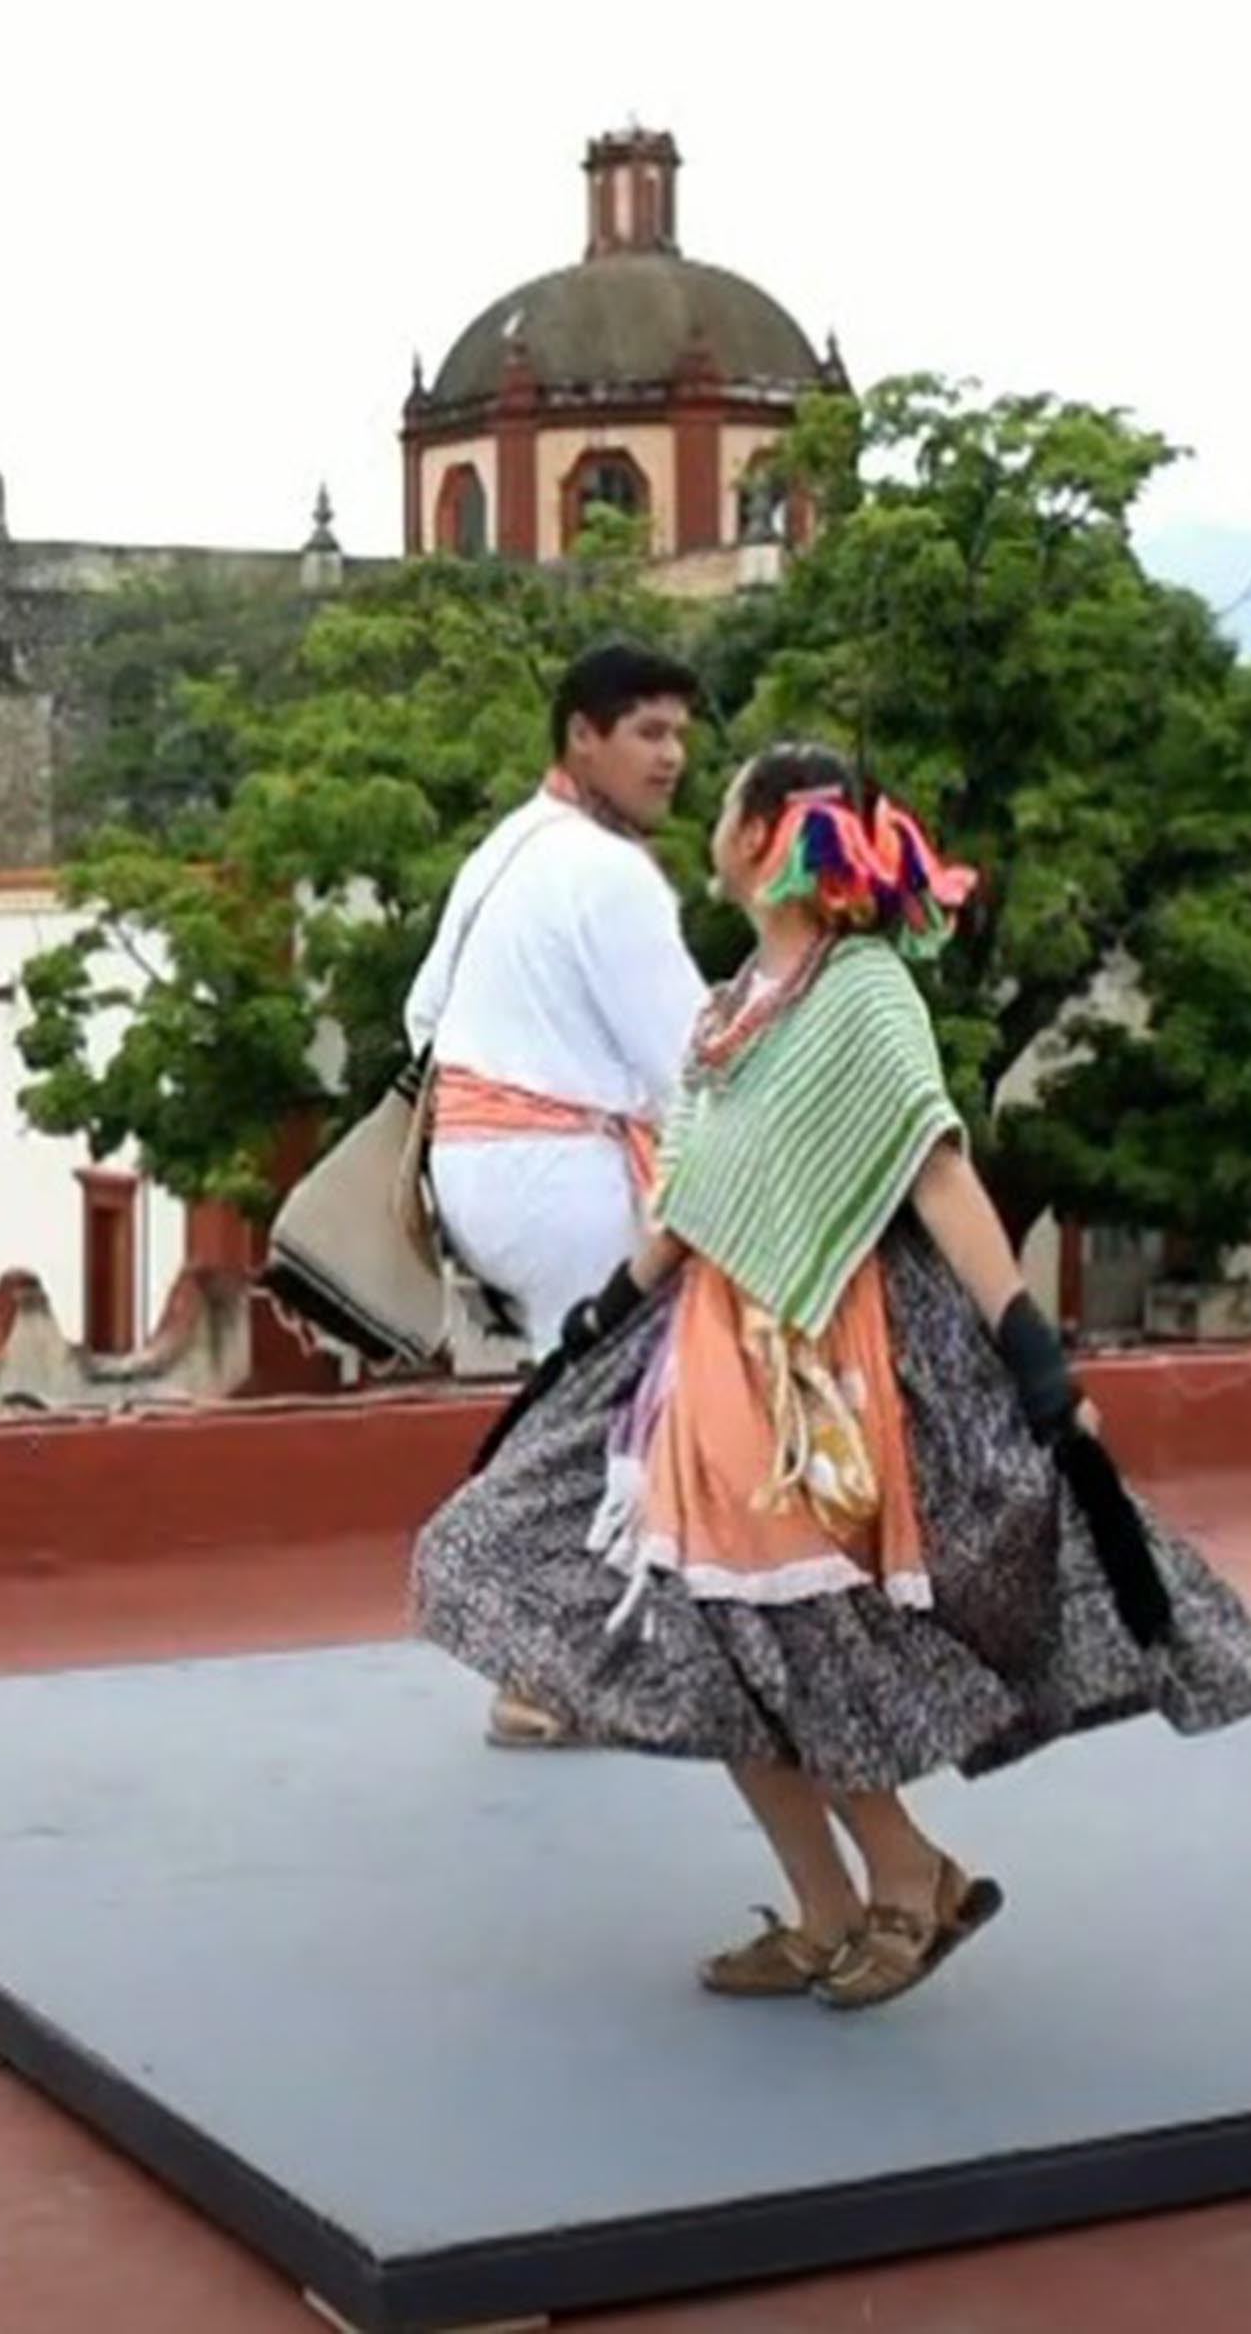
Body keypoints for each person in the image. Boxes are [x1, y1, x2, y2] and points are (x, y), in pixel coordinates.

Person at [411, 744, 1251, 2011]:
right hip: (702, 1352)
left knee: (786, 1632)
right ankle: (841, 1901)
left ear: (767, 832)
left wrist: (1029, 1348)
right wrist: (605, 1308)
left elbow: (933, 1167)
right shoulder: (731, 1005)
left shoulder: (863, 990)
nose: (706, 817)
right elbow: (696, 1184)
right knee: (712, 1638)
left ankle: (901, 1876)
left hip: (821, 1358)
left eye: (726, 806)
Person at [409, 640, 716, 1747]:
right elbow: (691, 1058)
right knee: (604, 1418)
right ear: (580, 736)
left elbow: (419, 1011)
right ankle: (537, 1673)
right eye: (646, 731)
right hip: (563, 1176)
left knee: (579, 1401)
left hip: (483, 1164)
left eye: (677, 733)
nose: (670, 756)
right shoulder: (608, 874)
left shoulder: (507, 845)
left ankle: (559, 1660)